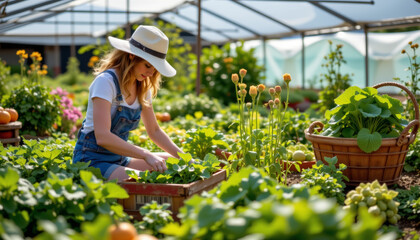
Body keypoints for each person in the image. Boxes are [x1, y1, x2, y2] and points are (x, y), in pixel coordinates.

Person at [73, 25, 184, 181]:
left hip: (120, 158)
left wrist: (186, 158)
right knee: (143, 181)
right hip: (92, 159)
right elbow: (102, 137)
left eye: (155, 68)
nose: (151, 73)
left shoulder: (142, 87)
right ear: (131, 56)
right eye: (147, 65)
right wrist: (146, 155)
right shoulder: (106, 82)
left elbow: (154, 131)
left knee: (177, 164)